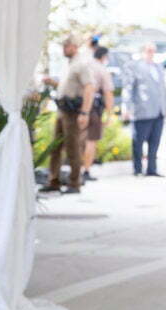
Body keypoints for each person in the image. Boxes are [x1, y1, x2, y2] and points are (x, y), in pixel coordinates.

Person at [41, 35, 95, 194]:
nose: (64, 49)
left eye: (66, 46)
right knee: (55, 147)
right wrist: (53, 83)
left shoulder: (81, 64)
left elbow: (89, 88)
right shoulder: (69, 64)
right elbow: (67, 85)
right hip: (62, 110)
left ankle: (74, 182)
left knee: (73, 148)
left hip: (73, 112)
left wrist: (84, 112)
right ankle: (54, 180)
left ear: (74, 47)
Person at [122, 42, 166, 177]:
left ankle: (152, 169)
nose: (152, 53)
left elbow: (164, 88)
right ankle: (137, 169)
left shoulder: (159, 67)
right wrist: (127, 107)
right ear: (143, 51)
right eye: (149, 50)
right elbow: (128, 88)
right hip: (142, 111)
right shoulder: (134, 67)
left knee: (155, 142)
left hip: (158, 111)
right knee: (138, 142)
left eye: (153, 51)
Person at [83, 46, 114, 181]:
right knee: (91, 140)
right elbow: (108, 93)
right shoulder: (102, 69)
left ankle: (76, 170)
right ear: (104, 57)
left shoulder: (84, 65)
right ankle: (86, 171)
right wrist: (109, 113)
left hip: (77, 106)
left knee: (79, 140)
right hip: (93, 108)